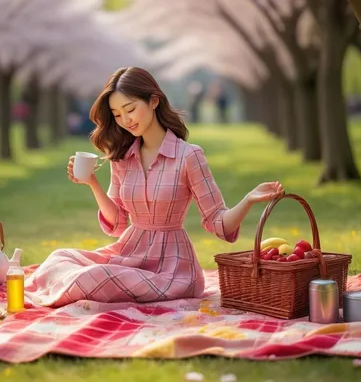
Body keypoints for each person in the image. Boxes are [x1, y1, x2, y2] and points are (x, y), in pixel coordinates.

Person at [24, 67, 284, 307]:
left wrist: (249, 199)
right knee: (60, 257)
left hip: (172, 270)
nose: (125, 120)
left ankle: (67, 290)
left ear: (154, 101)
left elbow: (218, 221)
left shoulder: (188, 156)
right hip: (128, 253)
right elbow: (118, 223)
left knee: (94, 276)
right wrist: (92, 182)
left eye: (130, 109)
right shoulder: (123, 157)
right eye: (117, 114)